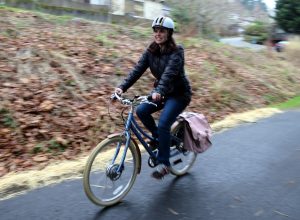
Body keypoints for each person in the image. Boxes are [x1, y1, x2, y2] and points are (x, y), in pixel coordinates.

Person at [115, 16, 192, 179]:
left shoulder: (177, 51)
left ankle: (164, 164)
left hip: (179, 94)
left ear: (169, 33)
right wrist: (122, 87)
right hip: (161, 93)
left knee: (164, 123)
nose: (158, 34)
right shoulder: (151, 51)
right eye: (156, 31)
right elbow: (137, 70)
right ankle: (160, 139)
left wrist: (159, 91)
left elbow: (169, 74)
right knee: (141, 111)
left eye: (162, 31)